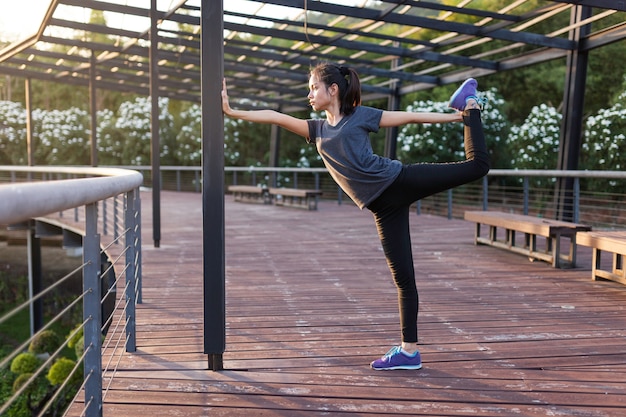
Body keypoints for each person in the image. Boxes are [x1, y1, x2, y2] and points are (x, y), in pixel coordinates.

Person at [221, 63, 490, 370]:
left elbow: (409, 117)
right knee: (404, 279)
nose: (309, 93)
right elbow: (273, 116)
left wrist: (457, 117)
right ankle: (409, 352)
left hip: (400, 180)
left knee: (478, 166)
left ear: (332, 90)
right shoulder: (317, 130)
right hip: (382, 208)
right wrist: (232, 111)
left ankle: (470, 105)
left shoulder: (360, 116)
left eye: (313, 87)